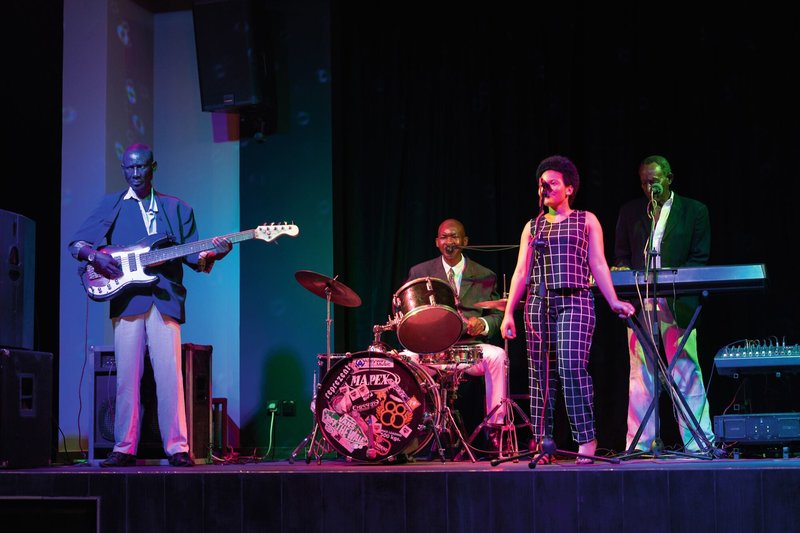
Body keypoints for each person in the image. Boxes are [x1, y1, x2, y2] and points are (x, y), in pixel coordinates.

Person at [68, 143, 232, 467]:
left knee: (170, 375)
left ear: (153, 168)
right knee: (126, 377)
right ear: (123, 169)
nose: (135, 173)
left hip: (165, 298)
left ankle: (177, 448)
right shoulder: (112, 205)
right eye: (129, 168)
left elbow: (194, 258)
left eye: (141, 167)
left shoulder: (177, 209)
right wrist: (96, 257)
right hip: (128, 299)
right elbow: (77, 245)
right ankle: (123, 448)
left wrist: (215, 253)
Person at [501, 155, 634, 464]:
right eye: (542, 184)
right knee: (540, 374)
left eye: (553, 183)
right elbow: (521, 271)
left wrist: (613, 300)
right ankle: (543, 441)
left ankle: (586, 438)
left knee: (571, 368)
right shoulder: (533, 226)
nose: (546, 188)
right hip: (538, 303)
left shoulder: (586, 219)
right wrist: (508, 312)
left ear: (569, 188)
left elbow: (598, 263)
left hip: (575, 300)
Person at [614, 154, 716, 454]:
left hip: (677, 300)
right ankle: (641, 443)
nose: (650, 188)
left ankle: (698, 442)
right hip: (640, 299)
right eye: (645, 183)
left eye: (655, 181)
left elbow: (699, 258)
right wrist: (623, 272)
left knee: (685, 369)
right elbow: (621, 256)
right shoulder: (631, 212)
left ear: (669, 179)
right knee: (640, 372)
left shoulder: (694, 211)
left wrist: (675, 283)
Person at [400, 218, 509, 453]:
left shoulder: (484, 274)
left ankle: (495, 430)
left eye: (454, 236)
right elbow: (407, 312)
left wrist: (483, 323)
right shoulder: (420, 272)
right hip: (432, 350)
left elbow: (499, 315)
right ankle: (409, 430)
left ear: (465, 241)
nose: (449, 241)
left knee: (498, 356)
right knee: (404, 359)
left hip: (469, 349)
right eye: (444, 237)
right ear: (437, 242)